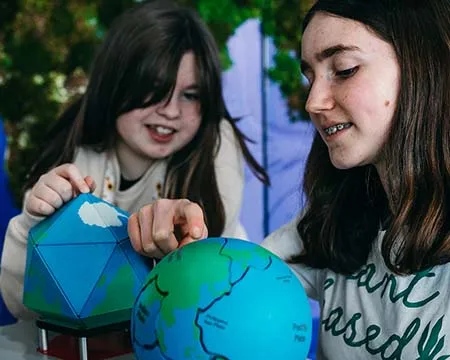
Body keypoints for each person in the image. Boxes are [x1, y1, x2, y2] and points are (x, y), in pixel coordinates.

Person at [127, 0, 450, 358]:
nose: (313, 101)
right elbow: (229, 290)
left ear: (426, 66)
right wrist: (184, 241)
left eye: (344, 69)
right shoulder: (334, 218)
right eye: (310, 76)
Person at [0, 0, 268, 320]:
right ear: (114, 83)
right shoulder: (72, 160)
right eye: (154, 89)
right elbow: (28, 311)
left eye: (190, 95)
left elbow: (197, 303)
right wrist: (32, 224)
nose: (170, 111)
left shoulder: (215, 143)